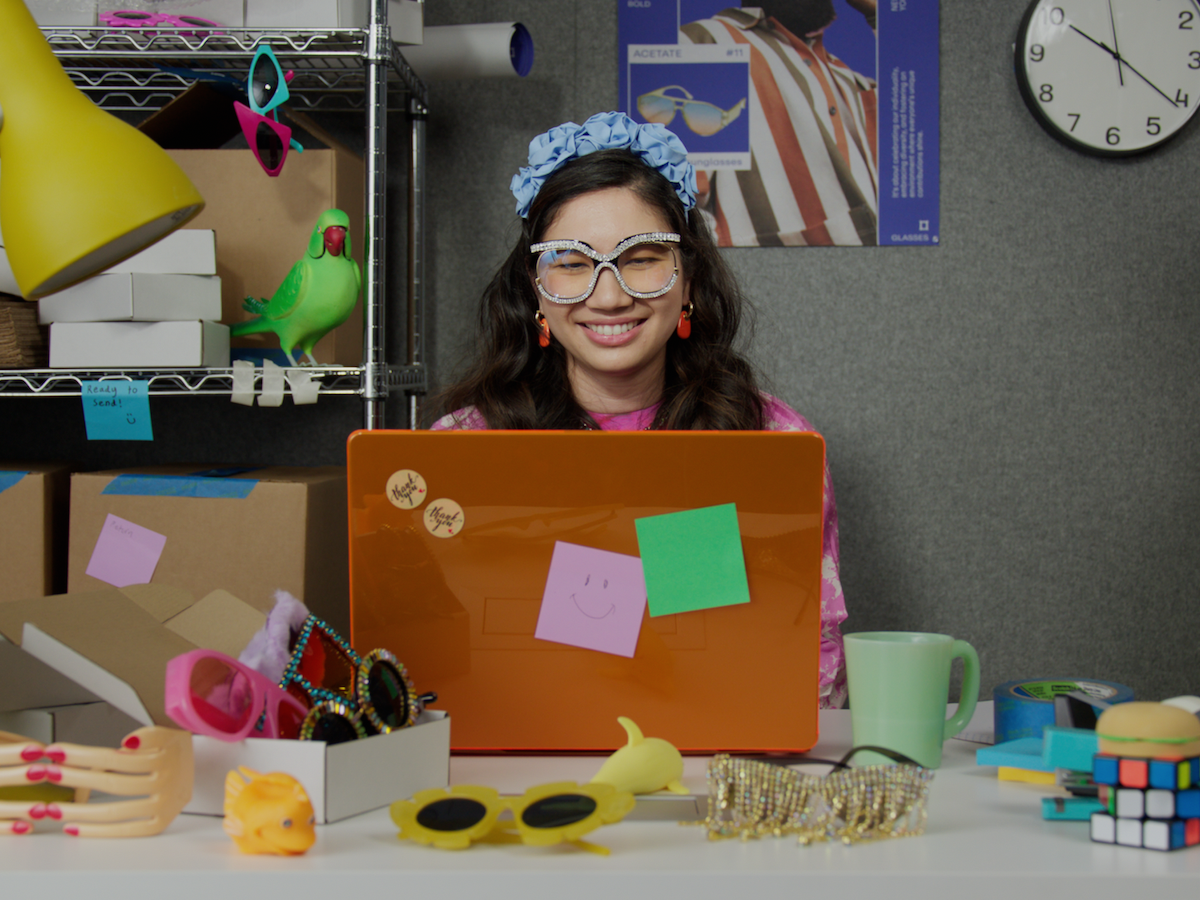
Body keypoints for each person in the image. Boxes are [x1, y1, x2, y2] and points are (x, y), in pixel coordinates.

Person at [430, 111, 848, 707]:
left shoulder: (769, 442)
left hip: (714, 754)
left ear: (689, 279)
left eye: (642, 258)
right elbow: (433, 652)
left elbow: (807, 662)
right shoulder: (463, 449)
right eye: (572, 262)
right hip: (516, 762)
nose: (609, 296)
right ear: (535, 289)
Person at [680, 1, 878, 247]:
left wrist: (878, 11)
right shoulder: (706, 43)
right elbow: (677, 209)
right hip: (772, 278)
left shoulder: (849, 78)